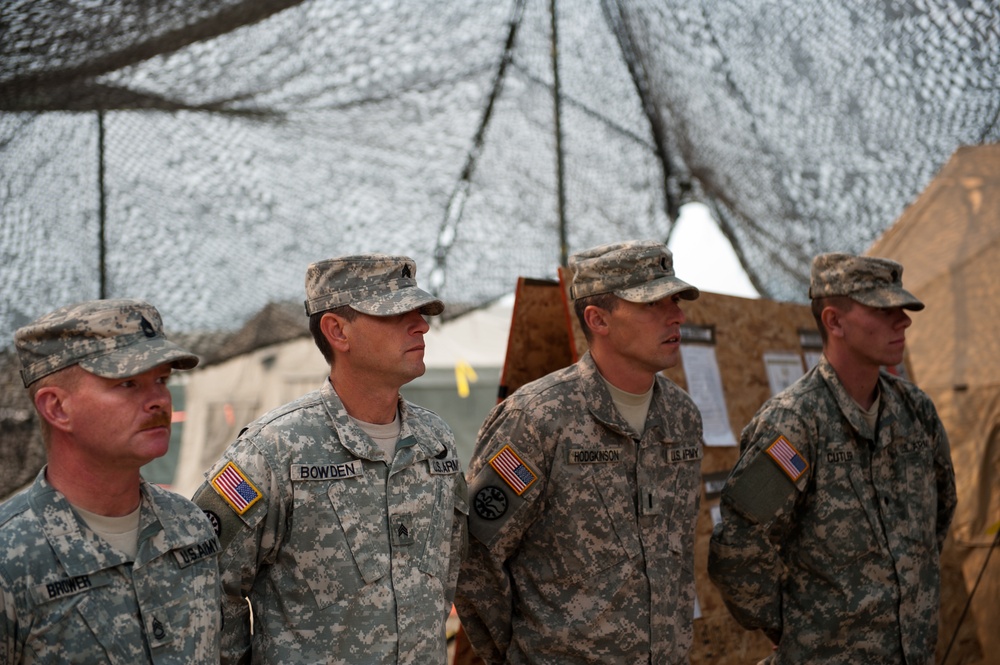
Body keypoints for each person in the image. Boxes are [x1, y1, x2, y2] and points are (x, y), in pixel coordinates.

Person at [193, 254, 469, 664]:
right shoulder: (275, 449)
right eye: (396, 314)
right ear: (337, 330)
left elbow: (447, 575)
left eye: (420, 312)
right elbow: (204, 583)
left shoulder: (436, 442)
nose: (422, 325)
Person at [454, 239, 705, 664]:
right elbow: (473, 556)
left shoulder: (681, 418)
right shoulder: (537, 417)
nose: (677, 315)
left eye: (676, 300)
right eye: (653, 304)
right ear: (597, 319)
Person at [708, 252, 958, 664]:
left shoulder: (916, 413)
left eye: (903, 308)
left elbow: (940, 515)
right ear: (834, 321)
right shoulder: (793, 426)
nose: (903, 320)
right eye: (883, 309)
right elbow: (739, 545)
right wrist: (788, 627)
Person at [0, 298, 221, 663]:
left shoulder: (190, 527)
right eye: (128, 383)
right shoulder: (11, 558)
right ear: (57, 407)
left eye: (162, 379)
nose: (159, 400)